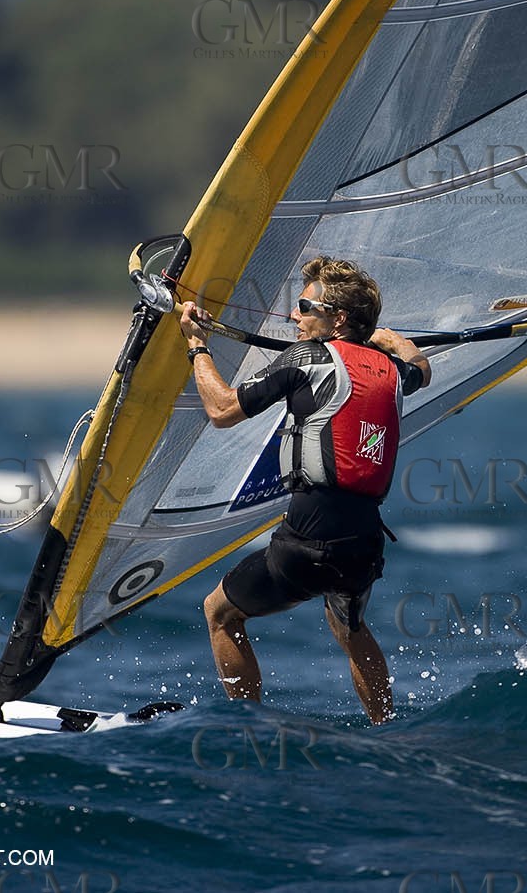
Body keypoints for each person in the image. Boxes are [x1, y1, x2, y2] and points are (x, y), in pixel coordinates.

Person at [178, 256, 431, 724]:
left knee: (219, 612)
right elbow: (422, 366)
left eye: (303, 306)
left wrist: (197, 346)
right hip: (363, 545)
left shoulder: (308, 358)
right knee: (348, 626)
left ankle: (246, 728)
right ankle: (386, 730)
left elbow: (221, 410)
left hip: (307, 541)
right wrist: (391, 340)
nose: (295, 315)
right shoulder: (394, 373)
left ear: (337, 319)